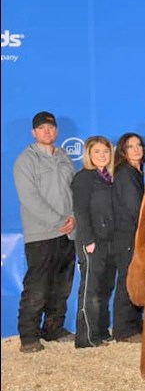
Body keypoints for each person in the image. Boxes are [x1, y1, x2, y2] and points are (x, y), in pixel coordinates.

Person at [13, 111, 77, 353]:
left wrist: (73, 219)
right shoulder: (25, 161)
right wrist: (58, 220)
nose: (47, 131)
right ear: (33, 133)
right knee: (37, 287)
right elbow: (29, 198)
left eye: (50, 127)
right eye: (41, 128)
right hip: (41, 235)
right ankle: (28, 337)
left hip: (67, 234)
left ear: (57, 130)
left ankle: (54, 329)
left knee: (62, 287)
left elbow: (75, 192)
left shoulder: (64, 158)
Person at [71, 135, 117, 349]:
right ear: (88, 154)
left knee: (105, 288)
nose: (101, 155)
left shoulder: (110, 177)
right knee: (90, 289)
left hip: (109, 241)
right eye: (97, 151)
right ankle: (86, 337)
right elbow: (80, 210)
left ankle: (100, 332)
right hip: (92, 242)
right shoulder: (84, 177)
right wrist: (88, 239)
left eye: (105, 152)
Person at [111, 132, 145, 343]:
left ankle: (133, 325)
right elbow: (135, 209)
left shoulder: (136, 171)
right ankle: (123, 330)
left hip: (134, 233)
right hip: (127, 234)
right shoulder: (126, 173)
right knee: (127, 280)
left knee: (135, 280)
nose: (136, 149)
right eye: (131, 146)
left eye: (139, 145)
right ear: (123, 152)